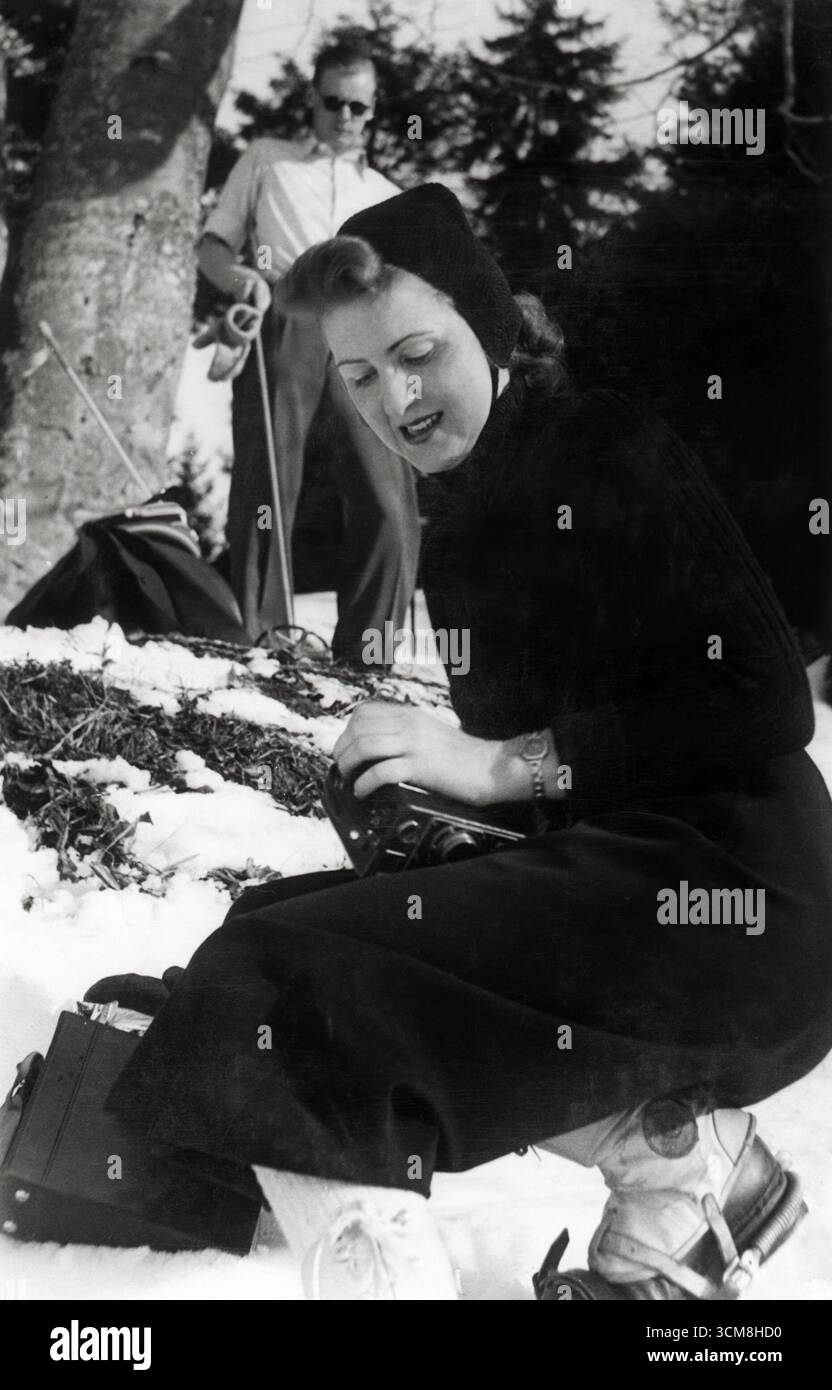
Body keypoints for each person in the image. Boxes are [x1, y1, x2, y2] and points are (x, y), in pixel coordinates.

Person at [108, 185, 832, 1300]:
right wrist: (429, 818)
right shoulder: (462, 529)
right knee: (269, 933)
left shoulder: (603, 444)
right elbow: (561, 776)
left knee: (282, 984)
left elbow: (764, 700)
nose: (393, 398)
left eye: (416, 353)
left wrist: (498, 765)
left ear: (492, 329)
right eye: (356, 379)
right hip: (638, 886)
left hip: (742, 897)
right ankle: (680, 1165)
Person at [197, 40, 419, 659]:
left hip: (361, 331)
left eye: (358, 106)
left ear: (373, 111)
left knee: (387, 492)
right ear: (311, 99)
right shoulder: (268, 159)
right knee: (268, 479)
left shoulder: (388, 192)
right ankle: (260, 634)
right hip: (286, 309)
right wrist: (246, 283)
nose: (344, 117)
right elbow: (214, 246)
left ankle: (369, 653)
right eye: (332, 102)